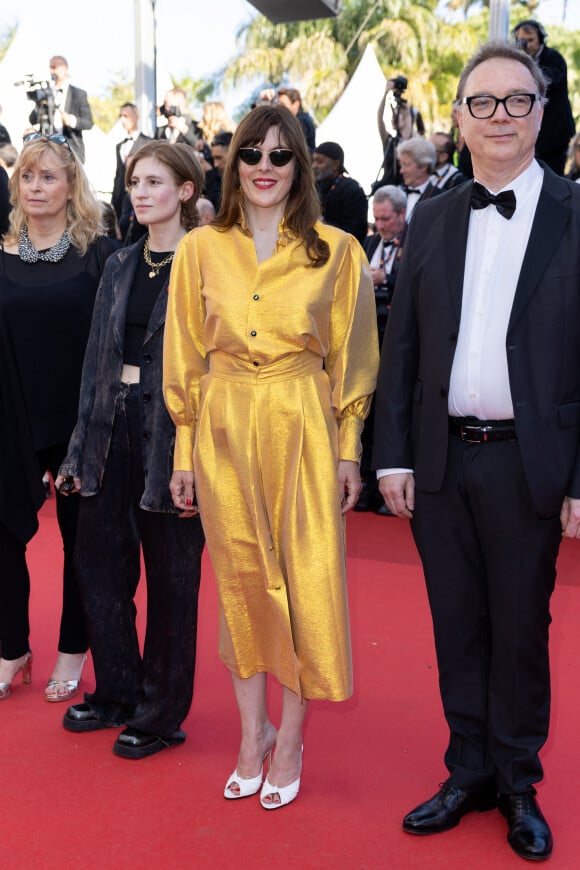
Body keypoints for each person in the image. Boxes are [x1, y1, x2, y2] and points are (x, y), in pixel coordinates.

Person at [373, 40, 580, 862]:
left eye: (516, 100)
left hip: (531, 464)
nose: (499, 115)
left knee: (522, 629)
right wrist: (392, 457)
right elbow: (405, 350)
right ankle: (468, 771)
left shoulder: (574, 211)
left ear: (541, 114)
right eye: (482, 101)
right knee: (456, 624)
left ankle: (518, 780)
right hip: (442, 461)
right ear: (458, 118)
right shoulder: (432, 215)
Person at [163, 104, 378, 807]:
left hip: (303, 422)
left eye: (280, 156)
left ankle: (291, 740)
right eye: (251, 154)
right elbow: (185, 358)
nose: (264, 167)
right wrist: (184, 454)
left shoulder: (338, 250)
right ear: (232, 165)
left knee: (308, 581)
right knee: (242, 583)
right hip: (223, 422)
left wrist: (349, 448)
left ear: (302, 166)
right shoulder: (199, 250)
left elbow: (353, 360)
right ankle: (252, 736)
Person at [57, 141, 205, 759]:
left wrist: (198, 455)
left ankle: (161, 711)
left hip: (172, 436)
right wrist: (74, 453)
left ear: (186, 190)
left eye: (153, 182)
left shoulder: (209, 264)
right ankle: (118, 691)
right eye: (134, 183)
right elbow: (95, 361)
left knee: (173, 580)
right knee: (99, 565)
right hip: (107, 429)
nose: (140, 193)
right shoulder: (119, 263)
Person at [0, 133, 117, 702]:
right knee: (1, 538)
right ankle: (11, 646)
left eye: (49, 177)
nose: (37, 187)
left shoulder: (98, 252)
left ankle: (74, 648)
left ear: (72, 186)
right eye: (28, 177)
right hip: (10, 419)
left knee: (82, 542)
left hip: (79, 424)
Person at [357, 185, 406, 514]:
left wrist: (384, 279)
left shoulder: (414, 243)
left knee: (390, 414)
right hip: (366, 338)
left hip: (394, 338)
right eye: (376, 219)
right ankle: (362, 490)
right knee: (364, 415)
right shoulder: (369, 242)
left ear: (402, 215)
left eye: (386, 219)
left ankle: (386, 490)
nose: (381, 225)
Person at [512, 20, 575, 175]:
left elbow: (550, 80)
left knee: (551, 177)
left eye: (531, 39)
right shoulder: (523, 61)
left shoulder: (553, 56)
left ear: (540, 38)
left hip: (555, 133)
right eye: (522, 41)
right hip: (535, 132)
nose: (527, 44)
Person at [29, 56, 94, 164]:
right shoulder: (45, 93)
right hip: (47, 148)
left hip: (71, 149)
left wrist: (72, 120)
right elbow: (32, 120)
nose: (51, 71)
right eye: (50, 67)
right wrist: (38, 104)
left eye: (54, 67)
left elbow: (89, 122)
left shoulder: (78, 94)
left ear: (65, 68)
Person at [312, 141, 368, 243]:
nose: (314, 166)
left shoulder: (352, 191)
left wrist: (321, 224)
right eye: (314, 161)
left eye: (319, 162)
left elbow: (355, 233)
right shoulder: (316, 187)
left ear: (335, 164)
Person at [374, 76, 425, 188]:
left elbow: (408, 141)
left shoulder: (414, 140)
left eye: (397, 115)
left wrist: (408, 113)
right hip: (388, 187)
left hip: (406, 188)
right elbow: (379, 118)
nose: (393, 118)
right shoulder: (390, 141)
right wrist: (385, 93)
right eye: (393, 115)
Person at [111, 102, 151, 220]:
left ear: (136, 116)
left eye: (126, 116)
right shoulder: (119, 146)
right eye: (121, 116)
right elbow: (119, 175)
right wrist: (114, 200)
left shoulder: (148, 143)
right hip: (121, 200)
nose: (123, 120)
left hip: (140, 197)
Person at [396, 137, 440, 221]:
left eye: (406, 165)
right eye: (401, 165)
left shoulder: (440, 198)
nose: (401, 171)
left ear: (423, 166)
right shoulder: (397, 194)